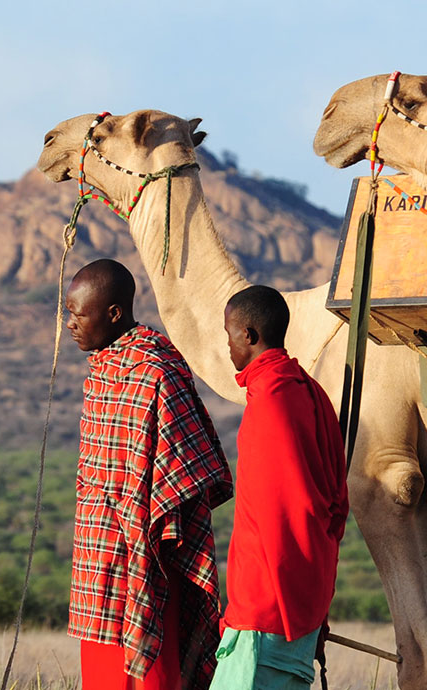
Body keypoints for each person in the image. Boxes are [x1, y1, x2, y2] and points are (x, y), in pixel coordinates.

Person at [64, 259, 233, 690]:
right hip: (98, 557)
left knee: (154, 677)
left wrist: (143, 526)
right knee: (103, 674)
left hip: (152, 555)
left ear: (114, 313)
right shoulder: (101, 371)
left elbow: (186, 475)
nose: (70, 324)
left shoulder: (156, 370)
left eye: (78, 314)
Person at [211, 286, 348, 689]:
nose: (228, 346)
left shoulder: (272, 398)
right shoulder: (309, 391)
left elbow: (282, 512)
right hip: (300, 602)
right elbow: (334, 505)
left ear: (250, 335)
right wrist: (314, 607)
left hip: (266, 610)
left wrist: (271, 609)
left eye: (229, 334)